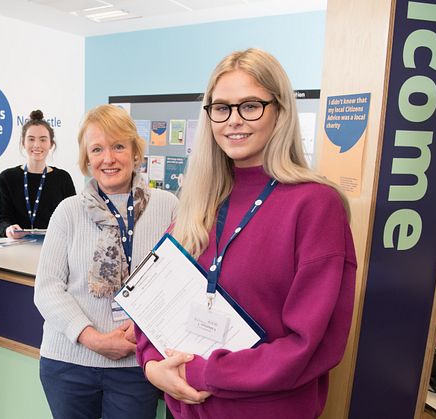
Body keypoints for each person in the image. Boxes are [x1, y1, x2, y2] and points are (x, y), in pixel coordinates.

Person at [136, 48, 357, 418]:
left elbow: (312, 344)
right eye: (221, 108)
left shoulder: (316, 205)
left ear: (280, 111)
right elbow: (153, 301)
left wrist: (207, 372)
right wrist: (152, 365)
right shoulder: (199, 202)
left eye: (250, 105)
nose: (233, 121)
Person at [34, 104, 178, 418]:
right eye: (97, 149)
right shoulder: (68, 211)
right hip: (68, 362)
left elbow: (177, 285)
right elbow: (46, 289)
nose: (108, 158)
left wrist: (140, 328)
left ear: (136, 152)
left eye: (118, 146)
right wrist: (93, 338)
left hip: (136, 364)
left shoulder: (168, 207)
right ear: (87, 159)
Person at [0, 109, 76, 239]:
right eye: (31, 139)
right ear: (23, 142)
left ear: (51, 144)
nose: (37, 145)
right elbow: (0, 218)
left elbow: (72, 217)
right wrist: (8, 228)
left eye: (43, 140)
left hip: (54, 247)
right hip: (16, 247)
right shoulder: (7, 178)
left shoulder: (62, 178)